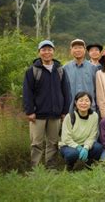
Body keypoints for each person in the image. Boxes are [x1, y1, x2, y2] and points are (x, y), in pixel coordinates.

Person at [23, 40, 70, 168]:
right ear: (39, 52)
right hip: (37, 114)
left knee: (53, 142)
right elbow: (27, 92)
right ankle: (35, 168)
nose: (47, 52)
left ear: (53, 52)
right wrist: (29, 111)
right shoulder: (32, 71)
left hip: (55, 114)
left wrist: (64, 111)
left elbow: (66, 91)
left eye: (49, 49)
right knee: (36, 143)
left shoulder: (60, 70)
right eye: (43, 50)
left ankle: (51, 168)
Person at [59, 92, 103, 170]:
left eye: (87, 100)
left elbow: (92, 136)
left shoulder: (94, 116)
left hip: (84, 144)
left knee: (98, 148)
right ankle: (70, 165)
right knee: (72, 154)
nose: (84, 103)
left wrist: (86, 147)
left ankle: (88, 164)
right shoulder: (69, 117)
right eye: (81, 100)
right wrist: (78, 147)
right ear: (76, 102)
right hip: (69, 145)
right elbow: (66, 138)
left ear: (90, 103)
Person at [64, 39, 98, 114]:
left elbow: (97, 90)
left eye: (80, 47)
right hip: (70, 110)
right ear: (71, 50)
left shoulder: (93, 68)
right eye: (75, 48)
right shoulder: (65, 68)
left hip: (90, 110)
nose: (78, 50)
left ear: (85, 50)